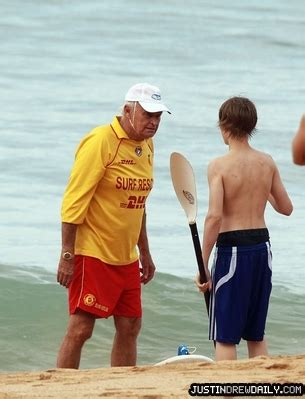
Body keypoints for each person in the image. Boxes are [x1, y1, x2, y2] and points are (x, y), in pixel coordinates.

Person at [56, 83, 171, 368]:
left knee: (130, 327)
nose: (154, 122)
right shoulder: (100, 141)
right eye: (148, 115)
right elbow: (73, 202)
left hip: (126, 257)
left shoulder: (147, 146)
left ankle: (123, 388)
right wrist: (67, 254)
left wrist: (145, 251)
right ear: (128, 110)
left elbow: (138, 203)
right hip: (93, 253)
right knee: (81, 329)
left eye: (158, 116)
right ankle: (60, 388)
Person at [196, 96, 293, 361]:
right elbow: (286, 208)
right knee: (255, 333)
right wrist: (261, 188)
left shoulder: (219, 165)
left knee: (225, 336)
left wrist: (203, 263)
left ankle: (228, 391)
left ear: (224, 126)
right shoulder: (267, 162)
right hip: (263, 249)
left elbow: (214, 217)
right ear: (252, 126)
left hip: (233, 252)